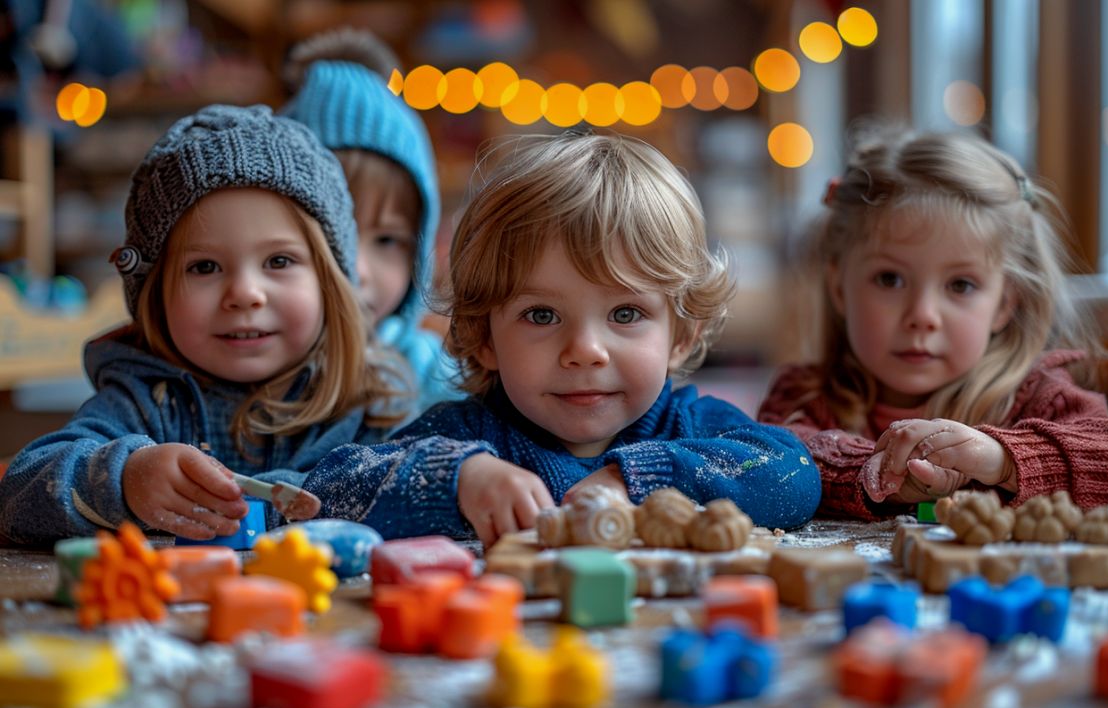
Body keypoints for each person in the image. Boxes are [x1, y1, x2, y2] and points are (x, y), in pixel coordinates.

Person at [303, 132, 821, 546]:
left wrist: (639, 480)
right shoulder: (466, 438)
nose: (585, 351)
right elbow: (329, 490)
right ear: (483, 336)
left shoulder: (689, 430)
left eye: (625, 312)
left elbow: (792, 472)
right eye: (542, 315)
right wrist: (460, 478)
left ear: (680, 337)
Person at [0, 104, 412, 547]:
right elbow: (17, 498)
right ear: (155, 294)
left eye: (279, 260)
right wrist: (123, 479)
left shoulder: (370, 404)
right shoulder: (144, 401)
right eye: (204, 267)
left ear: (331, 282)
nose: (245, 293)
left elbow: (415, 493)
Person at [757, 122, 1108, 521]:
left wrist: (1007, 459)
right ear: (839, 287)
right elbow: (773, 466)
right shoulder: (806, 397)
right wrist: (881, 474)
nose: (922, 317)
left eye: (961, 286)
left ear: (1006, 302)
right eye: (889, 279)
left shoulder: (1036, 400)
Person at [281, 27, 460, 411]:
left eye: (388, 241)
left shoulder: (439, 383)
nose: (357, 268)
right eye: (332, 235)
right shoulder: (240, 369)